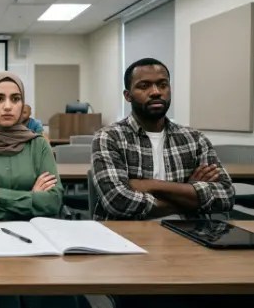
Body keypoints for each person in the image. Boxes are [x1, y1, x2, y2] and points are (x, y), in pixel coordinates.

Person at [0, 72, 77, 308]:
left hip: (38, 242)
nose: (8, 106)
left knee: (55, 299)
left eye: (15, 98)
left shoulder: (38, 143)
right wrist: (31, 199)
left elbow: (53, 202)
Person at [92, 57, 234, 221]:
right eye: (144, 86)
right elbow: (117, 201)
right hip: (127, 236)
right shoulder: (110, 137)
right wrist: (189, 192)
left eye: (162, 84)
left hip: (188, 234)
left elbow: (226, 195)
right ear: (128, 95)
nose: (155, 92)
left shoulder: (194, 139)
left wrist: (149, 185)